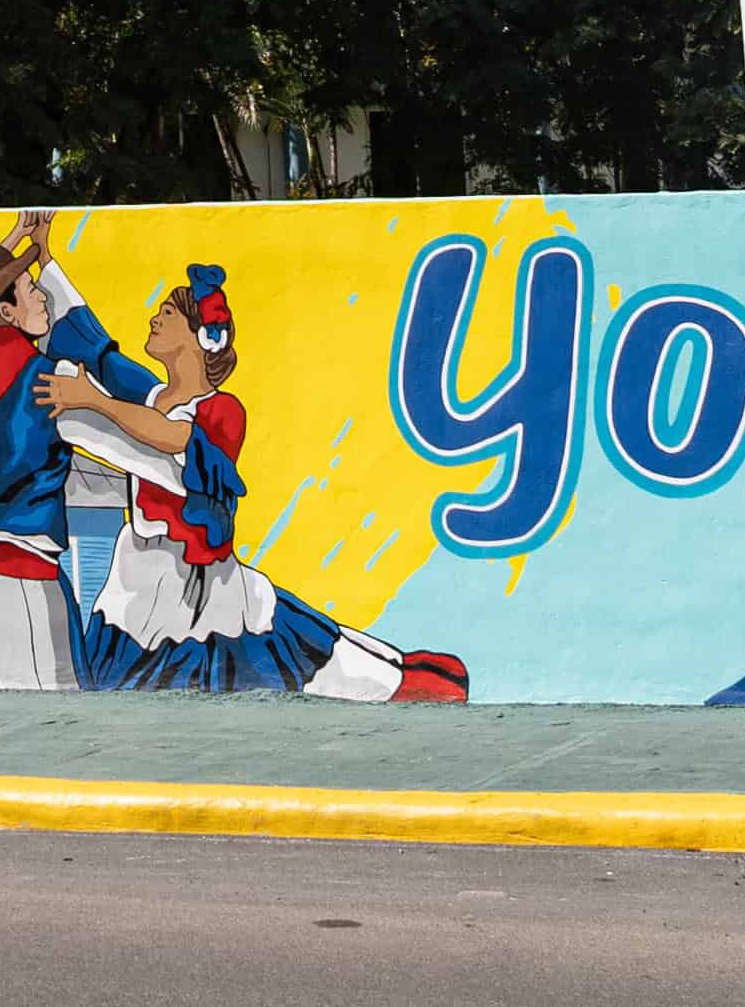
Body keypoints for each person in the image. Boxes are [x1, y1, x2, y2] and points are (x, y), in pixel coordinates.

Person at [55, 260, 467, 702]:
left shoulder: (221, 411)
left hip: (195, 584)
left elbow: (173, 439)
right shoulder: (154, 396)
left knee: (314, 665)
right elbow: (99, 352)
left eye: (168, 314)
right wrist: (45, 265)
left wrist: (95, 401)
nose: (154, 319)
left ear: (199, 339)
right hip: (139, 575)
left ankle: (415, 682)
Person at [0, 212, 152, 693]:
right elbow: (124, 444)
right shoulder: (51, 380)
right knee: (62, 714)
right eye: (30, 288)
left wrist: (20, 243)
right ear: (8, 312)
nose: (42, 294)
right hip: (27, 576)